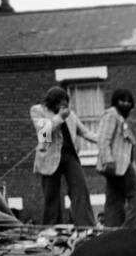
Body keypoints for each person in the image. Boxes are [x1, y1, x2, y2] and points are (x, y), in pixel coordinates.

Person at [30, 86, 97, 227]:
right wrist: (59, 117)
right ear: (51, 103)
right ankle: (52, 227)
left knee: (80, 189)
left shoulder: (70, 115)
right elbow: (43, 134)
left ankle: (86, 226)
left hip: (69, 156)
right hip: (49, 157)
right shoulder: (38, 110)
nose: (64, 108)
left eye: (65, 104)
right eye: (60, 104)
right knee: (51, 196)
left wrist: (102, 139)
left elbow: (85, 132)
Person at [96, 88, 136, 228]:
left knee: (114, 199)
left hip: (120, 166)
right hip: (116, 165)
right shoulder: (111, 115)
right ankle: (130, 231)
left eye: (129, 101)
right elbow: (104, 139)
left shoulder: (120, 119)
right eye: (122, 100)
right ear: (115, 101)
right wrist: (108, 160)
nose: (126, 104)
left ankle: (112, 231)